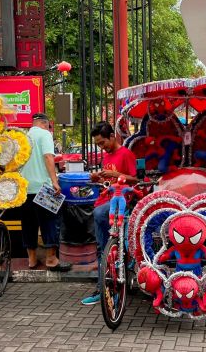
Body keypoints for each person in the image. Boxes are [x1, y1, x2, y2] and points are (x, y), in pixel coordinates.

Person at [81, 121, 137, 305]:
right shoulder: (106, 156)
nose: (101, 147)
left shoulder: (126, 154)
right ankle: (103, 285)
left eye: (102, 143)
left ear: (112, 136)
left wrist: (114, 175)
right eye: (98, 144)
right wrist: (98, 176)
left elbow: (135, 179)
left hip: (121, 201)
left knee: (98, 216)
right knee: (100, 247)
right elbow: (108, 176)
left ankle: (112, 257)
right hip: (106, 199)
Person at [19, 113, 71, 271]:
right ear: (46, 124)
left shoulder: (23, 138)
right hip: (43, 188)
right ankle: (51, 259)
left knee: (28, 224)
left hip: (24, 188)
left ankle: (32, 260)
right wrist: (55, 182)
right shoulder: (45, 134)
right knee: (50, 223)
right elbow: (48, 157)